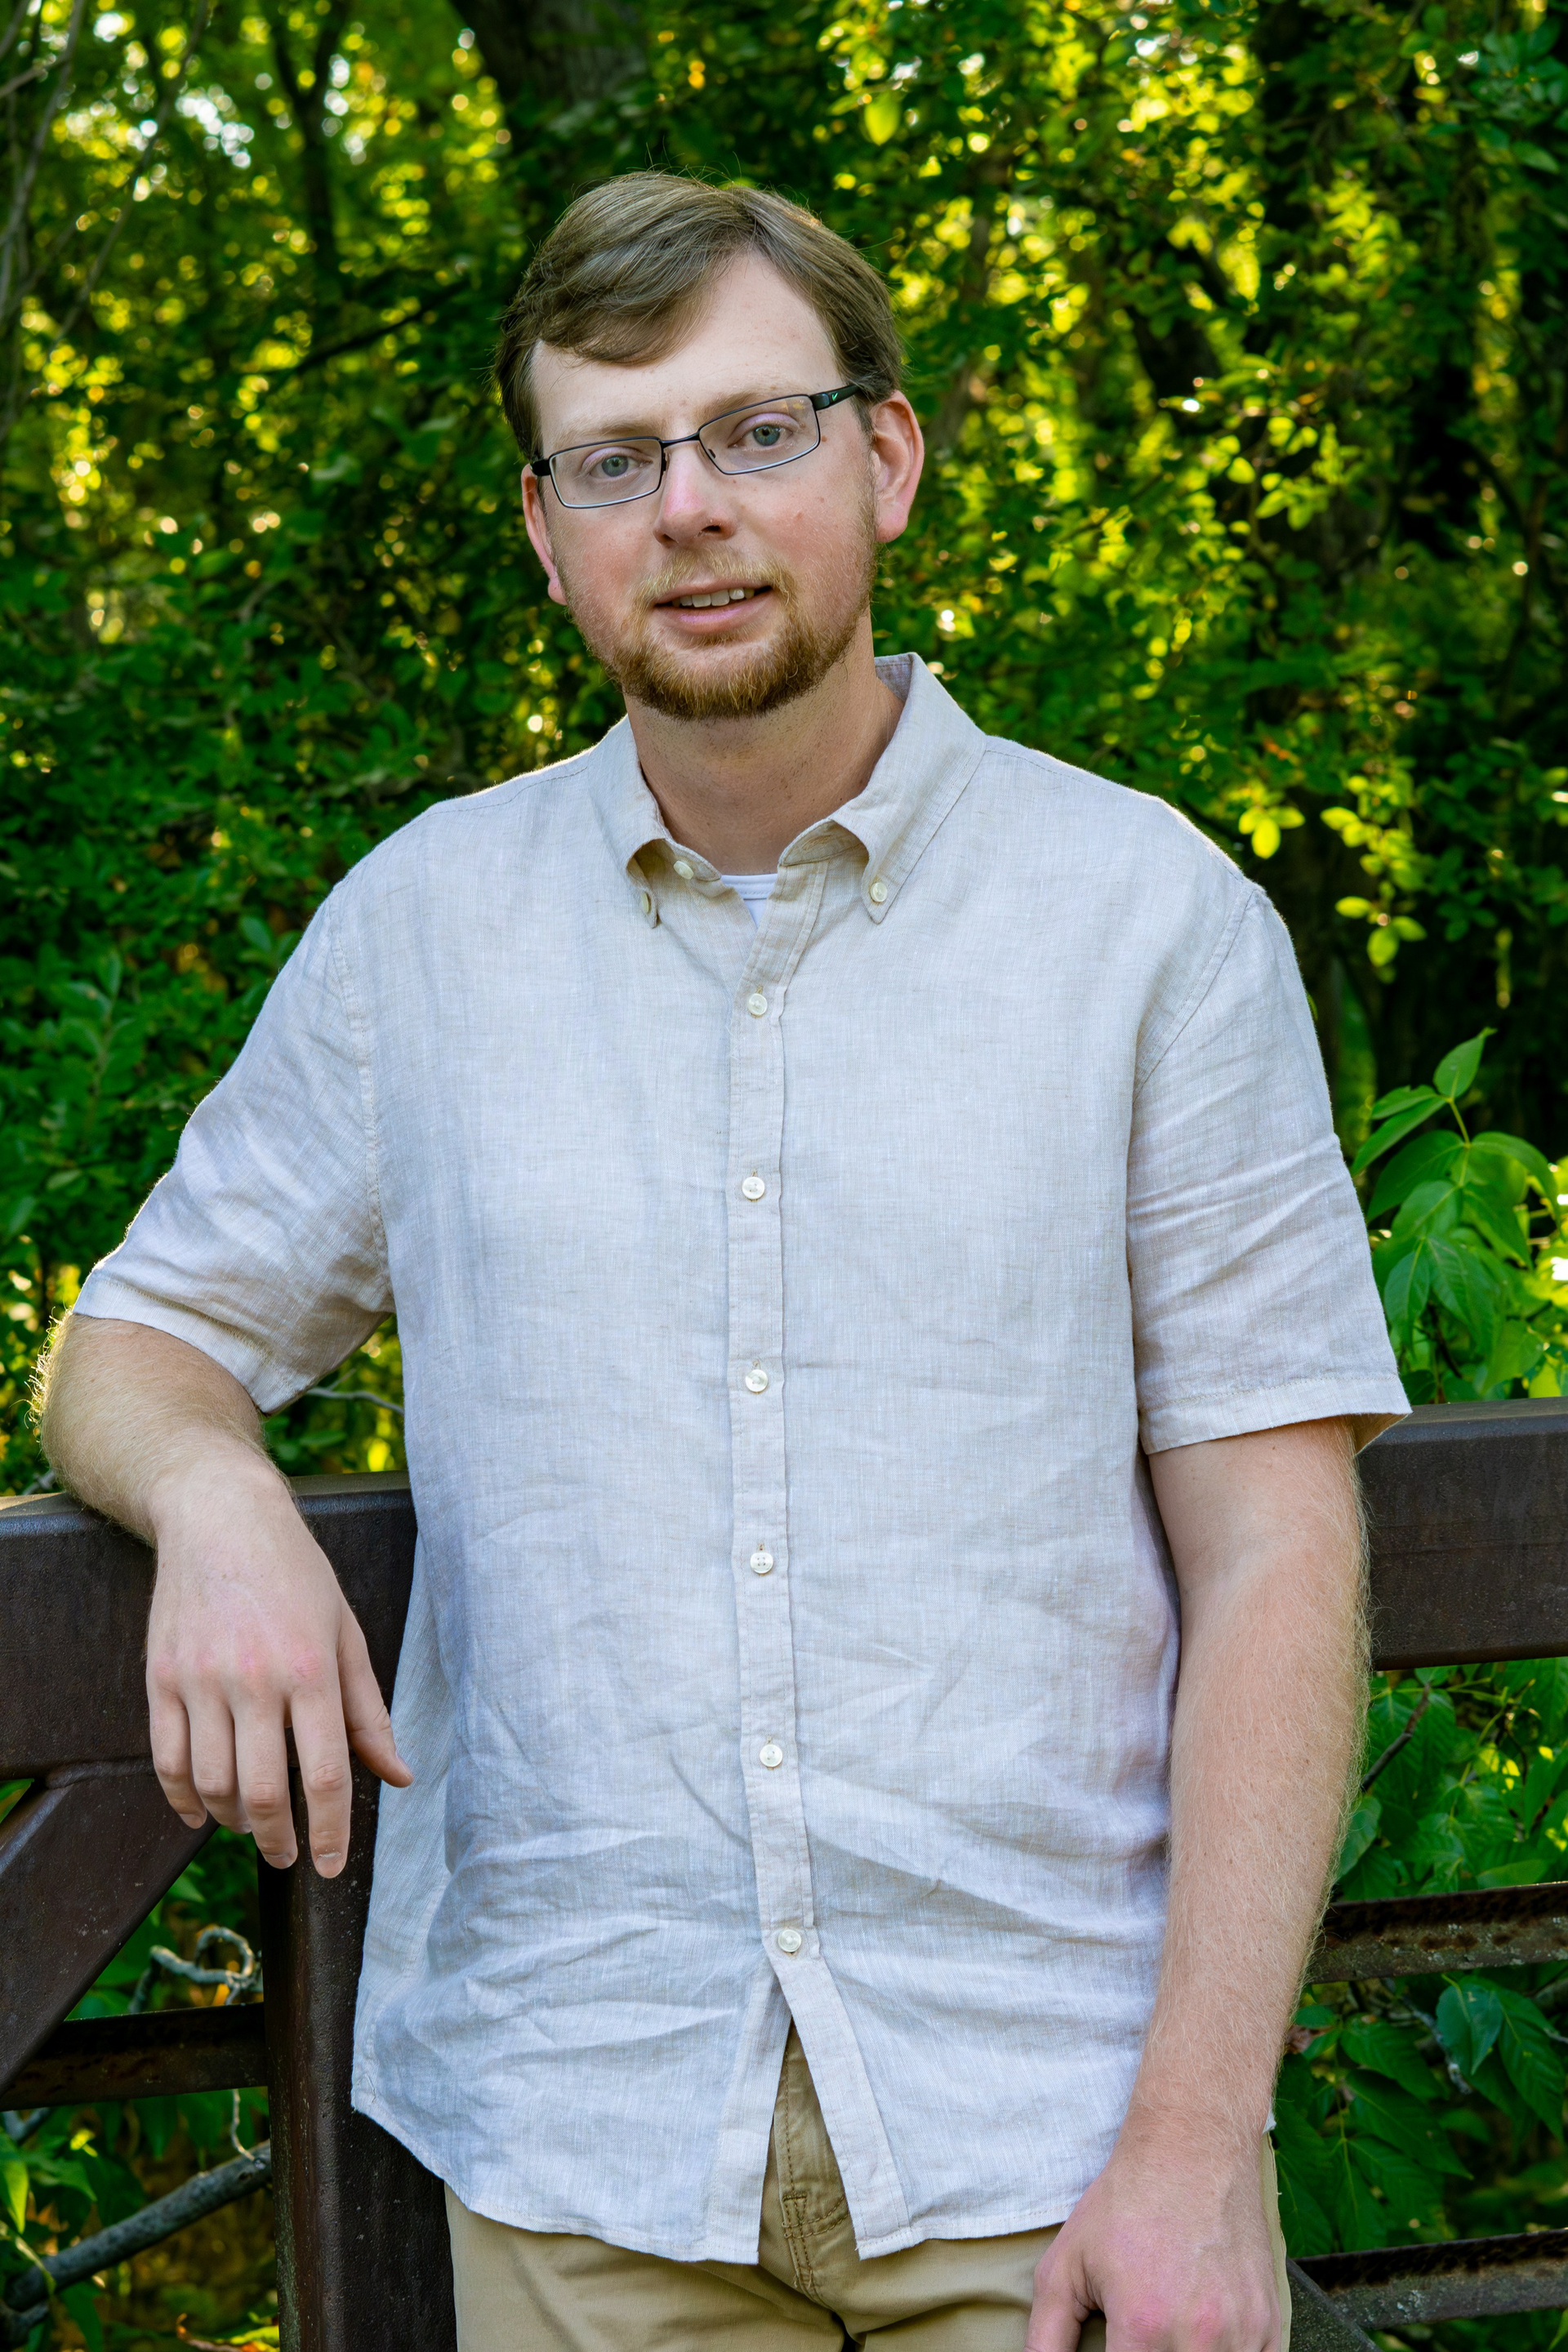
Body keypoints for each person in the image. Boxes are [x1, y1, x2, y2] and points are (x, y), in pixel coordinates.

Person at [40, 172, 1408, 2352]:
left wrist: (1195, 2141)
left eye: (758, 432)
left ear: (887, 460)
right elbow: (140, 1338)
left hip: (1052, 2142)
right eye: (613, 460)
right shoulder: (423, 936)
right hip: (581, 2144)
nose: (688, 509)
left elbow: (1276, 1550)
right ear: (546, 529)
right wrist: (214, 1501)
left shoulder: (1148, 925)